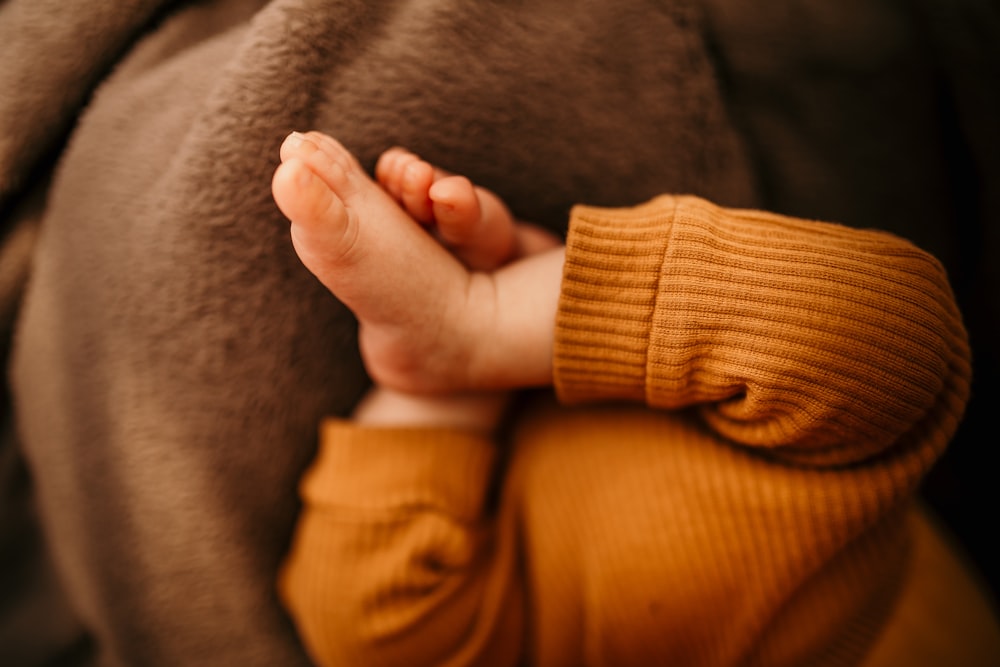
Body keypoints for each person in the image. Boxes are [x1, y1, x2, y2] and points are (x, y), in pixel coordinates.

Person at [270, 130, 973, 665]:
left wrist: (439, 393)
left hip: (547, 608)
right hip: (831, 589)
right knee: (885, 337)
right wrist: (485, 323)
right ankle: (503, 318)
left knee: (364, 624)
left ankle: (472, 345)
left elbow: (355, 621)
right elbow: (882, 329)